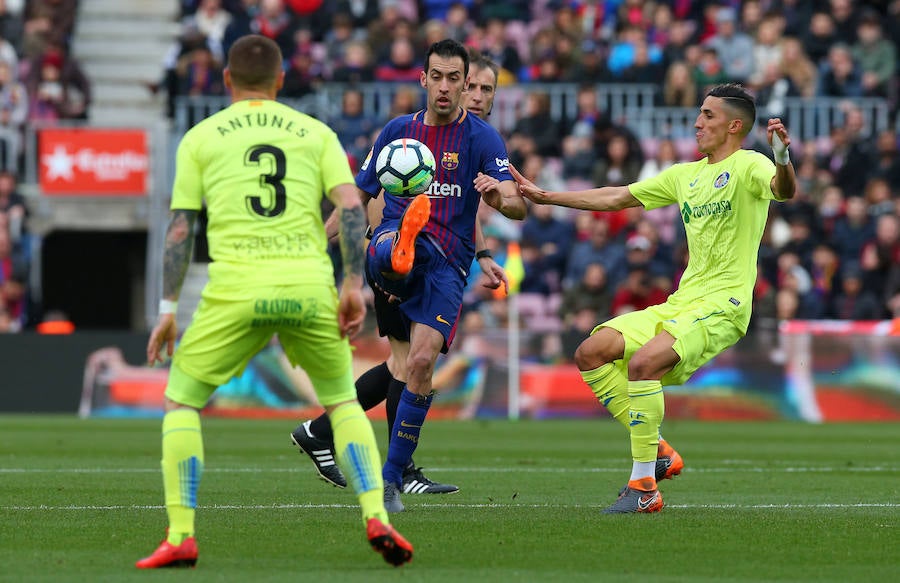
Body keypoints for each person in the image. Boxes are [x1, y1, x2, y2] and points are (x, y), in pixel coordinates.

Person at [137, 35, 413, 568]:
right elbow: (352, 206)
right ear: (282, 80)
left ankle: (181, 534)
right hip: (307, 285)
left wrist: (168, 310)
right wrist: (352, 283)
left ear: (227, 81)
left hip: (236, 289)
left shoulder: (201, 137)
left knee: (182, 403)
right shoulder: (316, 133)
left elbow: (180, 227)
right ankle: (376, 516)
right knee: (340, 402)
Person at [510, 83, 797, 513]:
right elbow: (617, 197)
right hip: (682, 302)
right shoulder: (685, 175)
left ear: (735, 126)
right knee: (591, 351)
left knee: (644, 364)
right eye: (699, 114)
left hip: (725, 305)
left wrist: (783, 158)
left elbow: (784, 189)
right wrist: (547, 196)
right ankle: (658, 451)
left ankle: (643, 487)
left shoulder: (749, 165)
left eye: (708, 116)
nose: (698, 123)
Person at [291, 49, 510, 497]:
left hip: (444, 260)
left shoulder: (481, 142)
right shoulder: (402, 136)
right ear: (429, 80)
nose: (472, 94)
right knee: (406, 363)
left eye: (482, 88)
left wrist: (484, 252)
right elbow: (363, 195)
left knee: (407, 366)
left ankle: (326, 434)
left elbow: (466, 209)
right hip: (389, 249)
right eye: (470, 86)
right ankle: (399, 468)